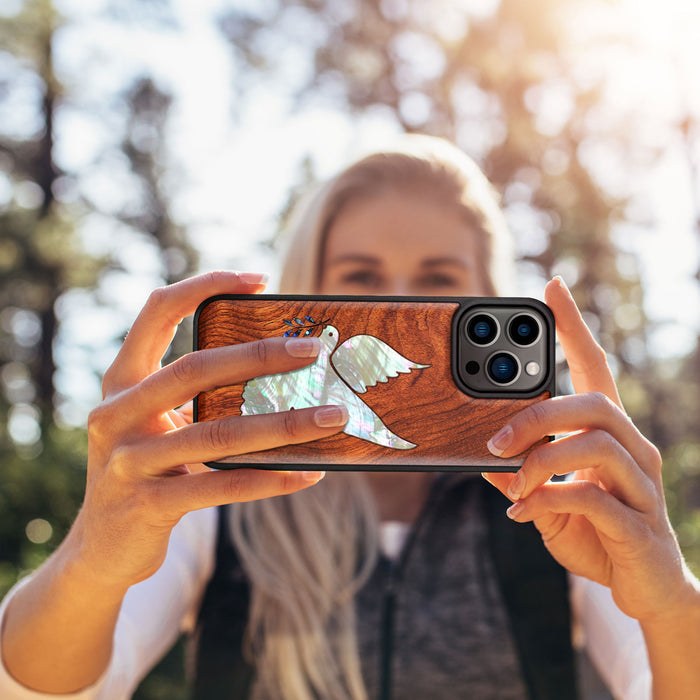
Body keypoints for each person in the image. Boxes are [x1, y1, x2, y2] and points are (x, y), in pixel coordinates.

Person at [1, 135, 699, 700]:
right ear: (307, 288)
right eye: (361, 278)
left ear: (488, 299)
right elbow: (48, 690)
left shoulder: (554, 503)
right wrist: (94, 557)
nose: (397, 308)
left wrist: (670, 604)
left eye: (437, 281)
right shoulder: (218, 496)